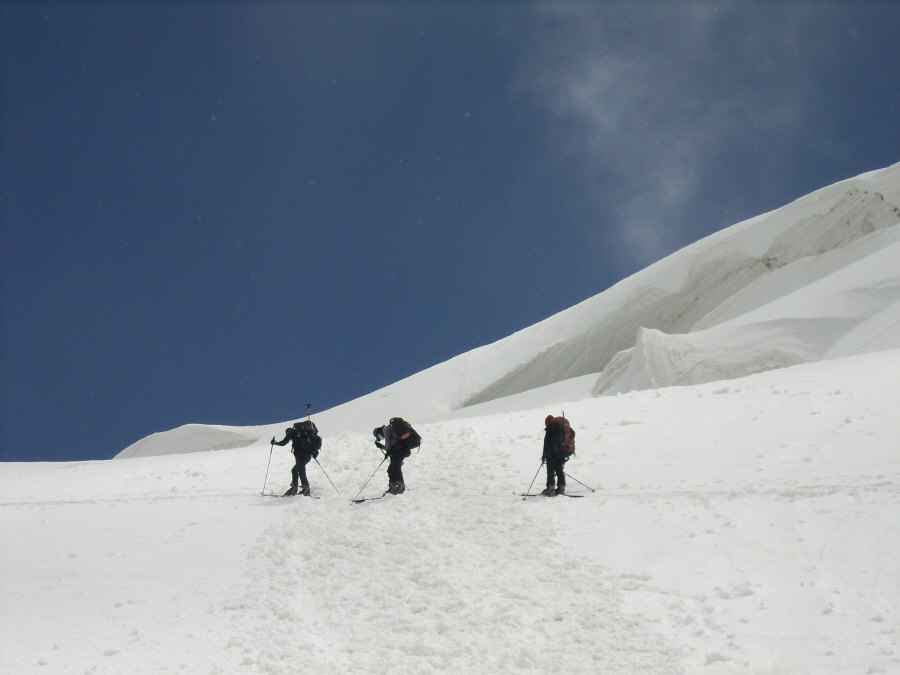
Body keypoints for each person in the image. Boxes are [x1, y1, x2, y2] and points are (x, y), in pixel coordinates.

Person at [272, 420, 321, 496]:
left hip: (300, 455)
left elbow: (284, 442)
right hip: (308, 455)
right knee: (295, 470)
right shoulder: (304, 433)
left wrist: (275, 443)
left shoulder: (291, 432)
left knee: (300, 470)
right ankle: (297, 488)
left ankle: (304, 489)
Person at [373, 417, 421, 494]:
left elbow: (388, 444)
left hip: (399, 451)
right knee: (393, 468)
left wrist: (387, 451)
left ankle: (398, 487)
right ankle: (394, 486)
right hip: (403, 450)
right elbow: (393, 446)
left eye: (380, 437)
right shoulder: (393, 431)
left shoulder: (386, 429)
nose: (382, 438)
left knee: (394, 468)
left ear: (379, 432)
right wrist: (381, 446)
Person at [541, 414, 569, 496]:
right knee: (559, 469)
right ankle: (561, 487)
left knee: (550, 471)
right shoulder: (562, 428)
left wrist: (544, 456)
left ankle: (550, 488)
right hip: (562, 452)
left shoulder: (550, 428)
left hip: (552, 453)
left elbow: (546, 443)